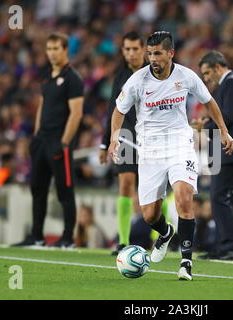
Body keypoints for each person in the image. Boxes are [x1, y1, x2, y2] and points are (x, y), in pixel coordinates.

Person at [108, 31, 233, 280]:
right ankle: (165, 232)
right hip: (150, 150)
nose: (152, 58)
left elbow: (209, 102)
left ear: (170, 53)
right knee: (149, 215)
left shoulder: (186, 76)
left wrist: (224, 131)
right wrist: (114, 136)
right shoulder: (137, 80)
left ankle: (186, 263)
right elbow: (119, 110)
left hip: (179, 144)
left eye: (157, 53)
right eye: (150, 53)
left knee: (184, 198)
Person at [13, 32, 84, 248]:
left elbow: (76, 113)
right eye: (49, 49)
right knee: (38, 188)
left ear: (65, 50)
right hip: (42, 141)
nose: (52, 53)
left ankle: (67, 239)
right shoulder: (47, 76)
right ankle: (37, 236)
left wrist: (64, 142)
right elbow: (42, 106)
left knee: (65, 190)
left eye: (56, 49)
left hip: (58, 141)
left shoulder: (73, 78)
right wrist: (36, 135)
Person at [195, 50, 233, 261]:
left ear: (218, 67)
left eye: (207, 72)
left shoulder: (231, 84)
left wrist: (207, 125)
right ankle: (224, 246)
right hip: (225, 151)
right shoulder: (229, 84)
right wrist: (207, 124)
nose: (206, 78)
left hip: (230, 150)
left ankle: (229, 248)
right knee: (221, 198)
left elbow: (226, 117)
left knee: (220, 197)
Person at [99, 32, 147, 255]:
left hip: (152, 136)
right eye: (127, 49)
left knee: (156, 190)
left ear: (143, 49)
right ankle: (123, 241)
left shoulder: (154, 72)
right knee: (126, 185)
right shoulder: (121, 75)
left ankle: (160, 239)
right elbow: (112, 109)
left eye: (135, 49)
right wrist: (104, 142)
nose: (131, 53)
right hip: (127, 136)